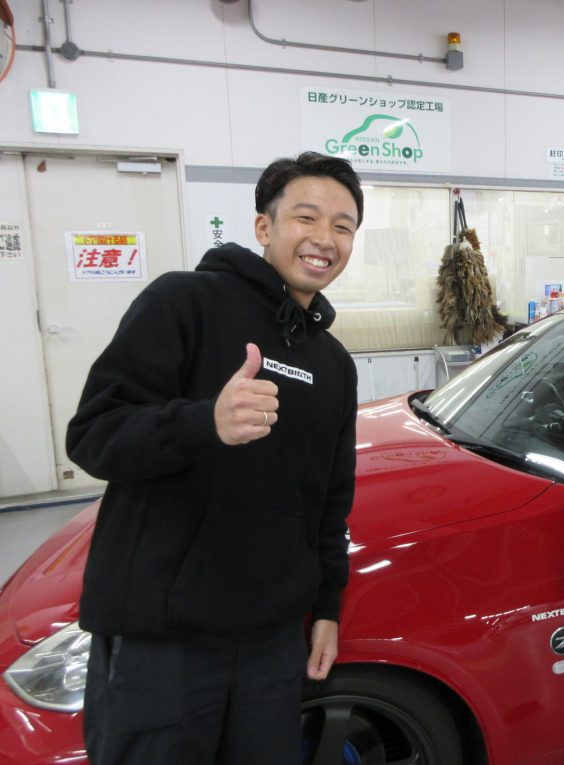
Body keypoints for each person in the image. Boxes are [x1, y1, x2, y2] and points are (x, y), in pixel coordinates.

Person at [66, 151, 364, 765]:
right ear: (264, 227)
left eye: (343, 226)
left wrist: (327, 608)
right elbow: (94, 435)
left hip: (271, 643)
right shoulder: (184, 302)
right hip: (162, 638)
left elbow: (330, 501)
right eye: (306, 217)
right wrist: (205, 422)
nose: (325, 239)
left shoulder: (333, 363)